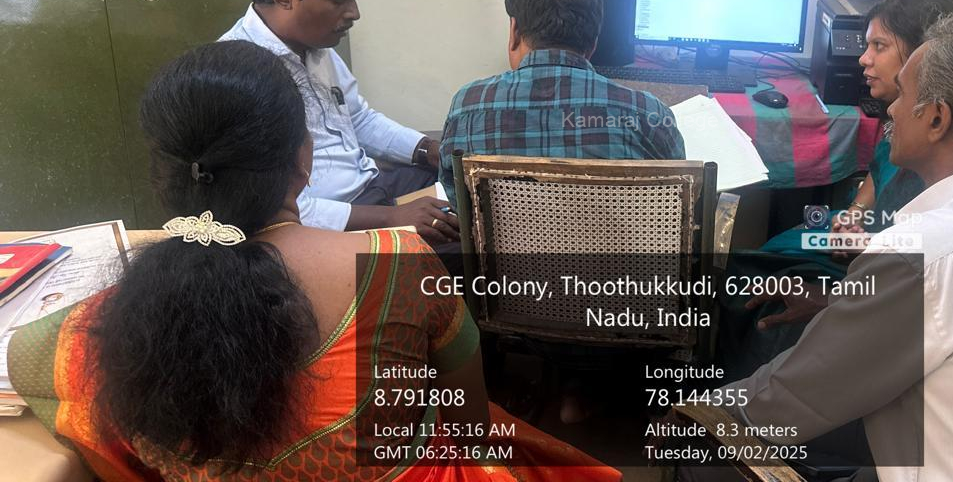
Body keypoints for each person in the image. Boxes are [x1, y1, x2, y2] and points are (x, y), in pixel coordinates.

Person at [7, 40, 620, 482]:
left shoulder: (72, 339)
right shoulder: (397, 262)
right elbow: (469, 427)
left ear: (165, 177)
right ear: (303, 160)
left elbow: (35, 366)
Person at [724, 14, 953, 482]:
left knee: (706, 444)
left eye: (903, 94)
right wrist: (847, 303)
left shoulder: (923, 252)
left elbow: (784, 400)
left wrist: (688, 416)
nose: (891, 110)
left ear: (937, 118)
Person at [715, 0, 953, 382]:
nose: (864, 59)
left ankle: (737, 399)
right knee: (749, 264)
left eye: (879, 46)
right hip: (862, 249)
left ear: (922, 56)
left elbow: (912, 280)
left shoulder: (943, 158)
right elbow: (878, 173)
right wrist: (854, 214)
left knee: (751, 292)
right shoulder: (901, 116)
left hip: (876, 277)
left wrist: (847, 280)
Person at [222, 0, 458, 247]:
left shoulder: (316, 47)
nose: (354, 13)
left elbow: (358, 119)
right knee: (459, 252)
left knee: (466, 197)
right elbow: (270, 210)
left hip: (371, 189)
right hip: (327, 227)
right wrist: (390, 219)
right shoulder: (238, 74)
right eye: (339, 0)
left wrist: (428, 150)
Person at [439, 0, 685, 203]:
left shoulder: (466, 108)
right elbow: (677, 204)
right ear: (593, 45)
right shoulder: (648, 114)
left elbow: (458, 201)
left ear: (514, 32)